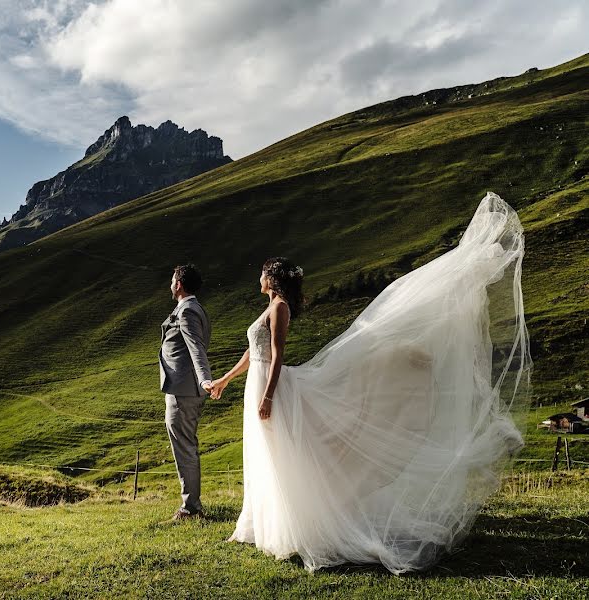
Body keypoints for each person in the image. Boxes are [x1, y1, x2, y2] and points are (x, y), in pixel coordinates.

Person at [209, 192, 531, 573]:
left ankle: (293, 525)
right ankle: (256, 522)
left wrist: (268, 395)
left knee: (280, 454)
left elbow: (277, 355)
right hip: (258, 383)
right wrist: (226, 379)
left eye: (263, 271)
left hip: (270, 385)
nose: (258, 276)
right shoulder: (268, 307)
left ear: (272, 278)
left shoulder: (279, 308)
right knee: (263, 454)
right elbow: (253, 351)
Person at [159, 264, 214, 520]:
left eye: (172, 280)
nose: (170, 284)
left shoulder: (188, 311)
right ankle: (190, 504)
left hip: (184, 391)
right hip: (183, 388)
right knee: (186, 445)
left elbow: (196, 348)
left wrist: (205, 380)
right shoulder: (194, 308)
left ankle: (191, 508)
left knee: (185, 447)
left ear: (178, 284)